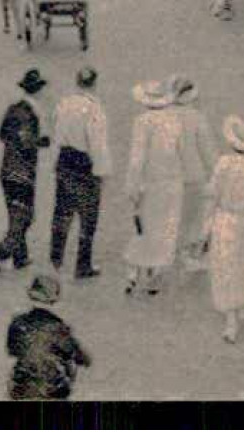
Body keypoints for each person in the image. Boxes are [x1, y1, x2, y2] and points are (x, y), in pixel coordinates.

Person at [122, 78, 200, 297]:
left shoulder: (143, 122)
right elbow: (183, 153)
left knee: (143, 227)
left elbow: (137, 158)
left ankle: (134, 273)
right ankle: (155, 275)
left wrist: (132, 186)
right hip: (172, 182)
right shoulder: (175, 121)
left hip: (150, 181)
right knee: (165, 228)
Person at [199, 116, 244, 343]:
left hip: (224, 219)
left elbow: (212, 196)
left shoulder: (223, 164)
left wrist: (206, 225)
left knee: (225, 266)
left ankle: (231, 319)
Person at [51, 66, 110, 281]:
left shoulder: (63, 103)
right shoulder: (94, 109)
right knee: (88, 217)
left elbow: (56, 132)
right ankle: (82, 264)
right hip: (84, 163)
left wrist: (54, 162)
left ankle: (56, 257)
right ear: (94, 83)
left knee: (62, 212)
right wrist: (101, 171)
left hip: (65, 159)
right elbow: (97, 144)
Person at [0, 69, 51, 271]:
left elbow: (2, 135)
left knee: (16, 214)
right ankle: (5, 249)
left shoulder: (13, 108)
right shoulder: (29, 113)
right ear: (38, 91)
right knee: (25, 216)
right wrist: (42, 142)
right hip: (22, 172)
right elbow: (26, 141)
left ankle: (21, 256)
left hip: (7, 170)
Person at [6, 275, 91, 400]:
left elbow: (12, 349)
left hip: (21, 382)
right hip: (50, 386)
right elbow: (74, 352)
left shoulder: (18, 322)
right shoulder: (57, 327)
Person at [175, 79, 217, 271]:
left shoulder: (165, 117)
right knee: (193, 217)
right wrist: (216, 172)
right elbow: (207, 151)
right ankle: (188, 254)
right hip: (193, 175)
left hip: (169, 174)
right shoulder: (197, 119)